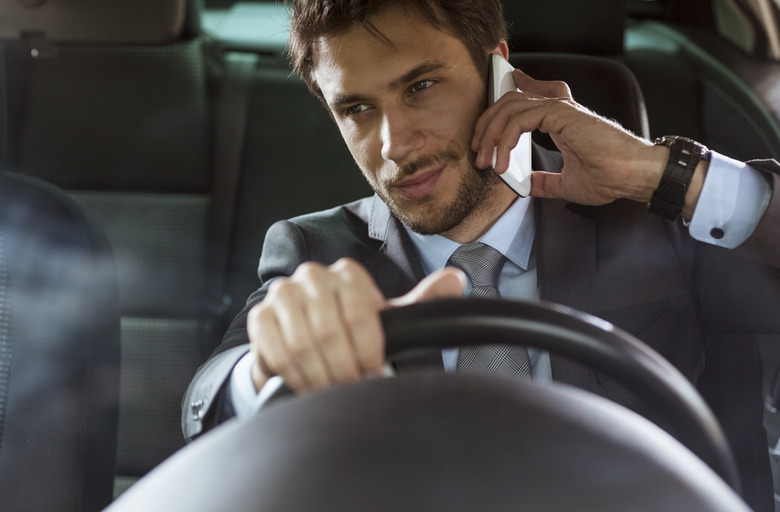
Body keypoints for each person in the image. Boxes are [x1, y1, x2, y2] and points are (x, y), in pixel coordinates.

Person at [182, 0, 780, 509]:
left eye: (421, 86)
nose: (395, 146)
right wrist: (266, 369)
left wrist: (654, 172)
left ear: (498, 70)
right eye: (357, 108)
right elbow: (210, 400)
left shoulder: (654, 216)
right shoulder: (317, 253)